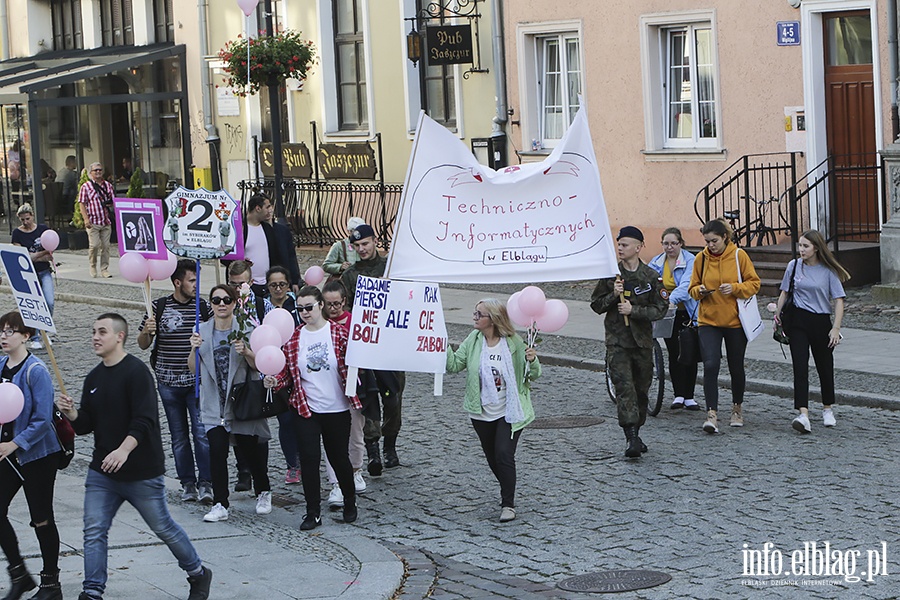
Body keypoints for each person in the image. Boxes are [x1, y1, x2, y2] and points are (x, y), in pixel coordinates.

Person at [55, 313, 212, 600]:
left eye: (102, 331)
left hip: (142, 471)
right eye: (93, 331)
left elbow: (145, 420)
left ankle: (198, 573)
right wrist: (72, 414)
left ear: (120, 336)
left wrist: (123, 450)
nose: (95, 337)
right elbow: (85, 425)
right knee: (94, 530)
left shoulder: (137, 372)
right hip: (103, 472)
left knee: (163, 527)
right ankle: (92, 591)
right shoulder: (94, 377)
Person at [265, 286, 359, 531]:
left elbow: (355, 365)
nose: (305, 312)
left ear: (320, 305)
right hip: (306, 408)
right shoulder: (295, 338)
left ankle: (350, 500)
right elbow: (287, 374)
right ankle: (312, 511)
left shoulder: (338, 333)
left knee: (339, 458)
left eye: (309, 307)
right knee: (308, 459)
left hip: (336, 408)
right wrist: (276, 380)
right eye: (300, 309)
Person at [445, 299, 541, 522]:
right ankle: (508, 484)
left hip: (510, 409)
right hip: (481, 411)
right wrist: (443, 345)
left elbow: (533, 375)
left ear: (494, 319)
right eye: (475, 313)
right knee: (492, 458)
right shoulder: (474, 339)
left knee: (504, 454)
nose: (475, 318)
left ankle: (508, 503)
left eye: (480, 314)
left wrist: (533, 360)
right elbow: (454, 366)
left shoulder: (513, 343)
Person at [189, 285, 272, 522]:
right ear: (211, 304)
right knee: (217, 452)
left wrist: (246, 351)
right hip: (214, 403)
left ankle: (263, 490)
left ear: (235, 302)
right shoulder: (201, 331)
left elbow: (259, 365)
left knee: (249, 452)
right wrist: (193, 349)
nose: (221, 304)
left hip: (240, 402)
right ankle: (220, 503)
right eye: (216, 300)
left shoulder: (245, 328)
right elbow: (194, 370)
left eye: (226, 299)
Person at [137, 260, 213, 504]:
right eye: (192, 280)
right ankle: (187, 483)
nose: (196, 285)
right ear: (177, 282)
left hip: (196, 381)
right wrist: (147, 331)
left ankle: (206, 483)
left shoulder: (202, 307)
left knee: (201, 433)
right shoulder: (158, 307)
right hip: (168, 382)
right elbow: (142, 344)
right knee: (178, 435)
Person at [0, 312, 63, 600]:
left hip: (37, 455)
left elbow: (42, 419)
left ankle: (51, 584)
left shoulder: (35, 370)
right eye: (1, 330)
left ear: (26, 336)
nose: (4, 336)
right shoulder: (0, 365)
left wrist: (16, 443)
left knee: (41, 518)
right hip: (7, 455)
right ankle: (19, 575)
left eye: (11, 331)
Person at [591, 226, 668, 457]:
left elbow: (661, 308)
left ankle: (637, 429)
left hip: (642, 342)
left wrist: (634, 310)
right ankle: (631, 437)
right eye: (619, 244)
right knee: (624, 388)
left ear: (638, 247)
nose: (620, 248)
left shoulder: (651, 277)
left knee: (641, 390)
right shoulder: (611, 276)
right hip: (617, 342)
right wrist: (613, 296)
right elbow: (596, 305)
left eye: (625, 244)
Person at [342, 224, 405, 474]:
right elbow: (343, 309)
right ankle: (373, 451)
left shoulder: (390, 268)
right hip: (365, 347)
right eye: (357, 246)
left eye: (365, 244)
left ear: (375, 241)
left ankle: (391, 445)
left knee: (393, 398)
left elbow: (408, 297)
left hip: (391, 346)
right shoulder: (350, 276)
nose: (362, 249)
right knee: (368, 400)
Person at [688, 218, 761, 433]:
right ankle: (712, 414)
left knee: (736, 366)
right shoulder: (701, 259)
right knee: (710, 365)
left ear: (725, 238)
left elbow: (754, 283)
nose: (710, 245)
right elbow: (692, 287)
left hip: (735, 322)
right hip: (708, 320)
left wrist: (736, 288)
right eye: (707, 241)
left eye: (714, 241)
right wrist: (699, 291)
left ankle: (737, 407)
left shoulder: (739, 256)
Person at [775, 230, 850, 433]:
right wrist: (777, 315)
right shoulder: (794, 266)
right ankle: (803, 413)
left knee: (824, 366)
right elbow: (785, 292)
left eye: (805, 246)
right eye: (800, 246)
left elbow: (839, 300)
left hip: (821, 322)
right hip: (798, 320)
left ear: (816, 248)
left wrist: (836, 328)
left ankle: (827, 408)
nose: (801, 250)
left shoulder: (828, 271)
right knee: (800, 367)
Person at [227, 261, 273, 492]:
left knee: (257, 424)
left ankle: (260, 475)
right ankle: (243, 470)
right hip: (233, 371)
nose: (237, 289)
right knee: (237, 421)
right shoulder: (225, 304)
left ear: (251, 282)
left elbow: (274, 338)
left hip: (257, 370)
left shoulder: (264, 307)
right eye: (233, 284)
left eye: (241, 284)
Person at [321, 280, 366, 508]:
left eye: (337, 303)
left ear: (344, 302)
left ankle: (356, 469)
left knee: (356, 434)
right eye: (328, 304)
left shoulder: (355, 322)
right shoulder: (320, 325)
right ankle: (336, 482)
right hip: (329, 390)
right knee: (333, 439)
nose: (333, 308)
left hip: (354, 387)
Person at [648, 227, 700, 410]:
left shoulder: (691, 261)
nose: (669, 247)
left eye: (673, 243)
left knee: (689, 352)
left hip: (686, 312)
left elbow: (687, 285)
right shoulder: (656, 262)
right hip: (667, 313)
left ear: (681, 243)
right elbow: (650, 284)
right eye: (666, 243)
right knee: (673, 352)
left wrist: (670, 300)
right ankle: (678, 394)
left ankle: (690, 396)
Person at [265, 266, 301, 485]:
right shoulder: (262, 307)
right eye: (273, 285)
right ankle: (292, 465)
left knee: (304, 418)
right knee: (285, 419)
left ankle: (307, 458)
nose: (278, 289)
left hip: (298, 368)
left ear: (289, 285)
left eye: (282, 284)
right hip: (274, 367)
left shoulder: (298, 305)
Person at [11, 204, 54, 351]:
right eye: (22, 220)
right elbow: (23, 258)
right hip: (27, 275)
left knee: (49, 301)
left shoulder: (43, 230)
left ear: (32, 216)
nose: (25, 222)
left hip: (44, 271)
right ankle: (35, 336)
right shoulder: (17, 233)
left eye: (27, 219)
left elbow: (50, 256)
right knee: (33, 306)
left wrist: (36, 256)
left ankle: (45, 330)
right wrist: (40, 254)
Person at [241, 194, 294, 297]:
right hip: (247, 284)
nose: (270, 210)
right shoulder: (240, 229)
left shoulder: (267, 229)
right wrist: (242, 262)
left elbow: (277, 256)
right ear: (258, 208)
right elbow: (228, 257)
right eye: (268, 206)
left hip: (267, 285)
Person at [78, 162, 114, 278]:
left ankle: (104, 268)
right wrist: (85, 219)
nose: (98, 172)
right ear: (91, 173)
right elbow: (82, 204)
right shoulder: (86, 186)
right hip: (93, 221)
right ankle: (92, 265)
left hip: (105, 220)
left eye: (100, 170)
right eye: (96, 170)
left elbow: (113, 200)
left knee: (106, 246)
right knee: (94, 245)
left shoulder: (108, 185)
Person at [323, 217, 365, 281]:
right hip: (346, 281)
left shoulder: (367, 245)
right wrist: (340, 267)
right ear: (349, 231)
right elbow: (326, 265)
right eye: (355, 231)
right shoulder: (339, 245)